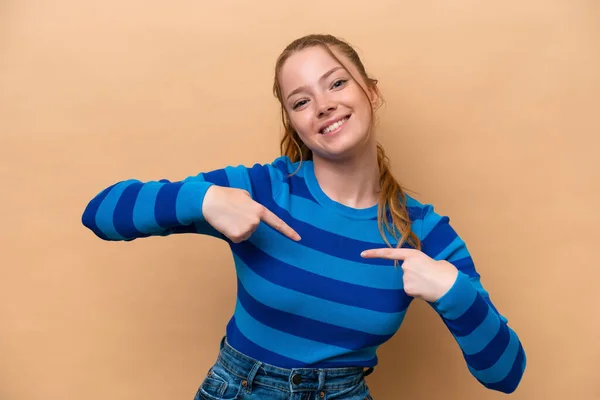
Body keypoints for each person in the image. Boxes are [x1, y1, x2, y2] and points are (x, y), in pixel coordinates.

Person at [81, 34, 526, 399]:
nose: (323, 105)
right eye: (300, 101)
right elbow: (99, 212)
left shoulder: (425, 232)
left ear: (371, 90)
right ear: (293, 123)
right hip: (242, 390)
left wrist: (454, 291)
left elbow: (505, 374)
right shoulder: (262, 191)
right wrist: (203, 200)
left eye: (336, 84)